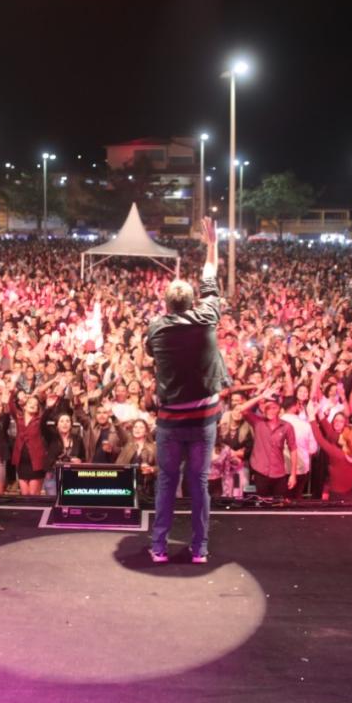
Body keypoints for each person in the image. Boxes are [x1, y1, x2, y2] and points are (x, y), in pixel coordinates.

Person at [144, 217, 228, 564]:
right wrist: (211, 244)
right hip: (204, 418)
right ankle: (200, 549)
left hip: (172, 421)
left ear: (166, 306)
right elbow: (210, 278)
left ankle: (159, 547)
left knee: (167, 483)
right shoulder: (208, 315)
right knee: (199, 484)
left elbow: (149, 354)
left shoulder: (156, 329)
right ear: (193, 302)